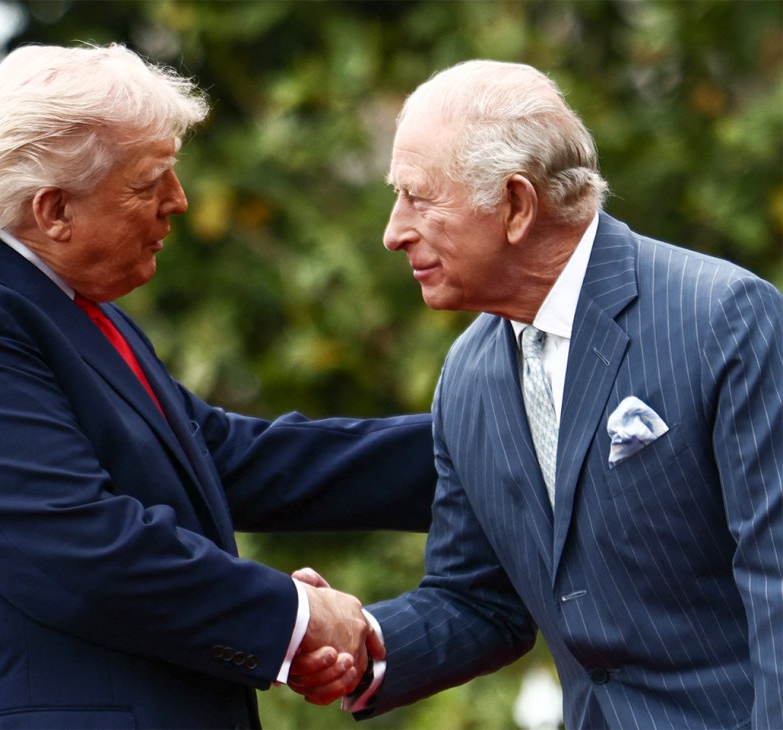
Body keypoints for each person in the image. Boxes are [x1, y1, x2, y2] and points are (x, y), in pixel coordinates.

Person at [0, 43, 436, 729]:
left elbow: (227, 459)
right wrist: (294, 617)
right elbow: (81, 553)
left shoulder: (57, 307)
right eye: (150, 182)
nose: (179, 202)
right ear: (53, 210)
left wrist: (485, 445)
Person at [289, 60, 783, 728]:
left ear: (517, 205)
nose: (393, 231)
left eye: (418, 198)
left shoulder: (721, 317)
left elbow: (776, 578)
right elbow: (478, 599)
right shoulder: (467, 375)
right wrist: (361, 644)